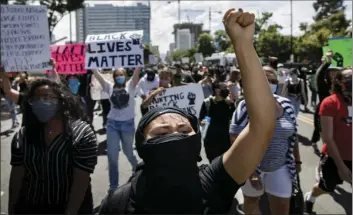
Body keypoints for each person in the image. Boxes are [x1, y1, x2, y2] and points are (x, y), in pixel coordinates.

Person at [98, 8, 277, 214]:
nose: (175, 134)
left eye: (184, 131)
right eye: (162, 132)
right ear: (142, 145)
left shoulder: (214, 183)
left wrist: (243, 44)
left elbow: (262, 125)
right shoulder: (116, 203)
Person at [8, 78, 98, 214]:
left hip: (71, 208)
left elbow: (81, 181)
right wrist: (12, 209)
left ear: (61, 101)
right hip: (32, 207)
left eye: (47, 97)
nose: (41, 103)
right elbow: (16, 176)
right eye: (36, 99)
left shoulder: (82, 134)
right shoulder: (22, 136)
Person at [230, 66, 301, 215]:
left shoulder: (287, 105)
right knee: (252, 202)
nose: (270, 83)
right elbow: (235, 138)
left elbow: (293, 136)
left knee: (282, 207)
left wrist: (297, 160)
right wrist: (251, 172)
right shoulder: (245, 105)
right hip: (253, 167)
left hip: (281, 166)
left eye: (273, 80)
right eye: (265, 79)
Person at [304, 67, 352, 214]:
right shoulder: (330, 103)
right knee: (326, 188)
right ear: (339, 82)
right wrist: (341, 166)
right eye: (349, 78)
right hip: (334, 158)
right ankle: (310, 197)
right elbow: (327, 138)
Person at [92, 67, 140, 192]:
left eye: (121, 75)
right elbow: (98, 76)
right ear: (114, 77)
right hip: (112, 124)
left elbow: (136, 74)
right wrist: (92, 68)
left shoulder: (131, 86)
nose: (119, 77)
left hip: (127, 125)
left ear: (125, 75)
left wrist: (138, 65)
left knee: (128, 152)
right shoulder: (109, 86)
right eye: (117, 75)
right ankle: (113, 186)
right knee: (112, 156)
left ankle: (137, 168)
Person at [310, 51, 340, 152]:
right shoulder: (323, 84)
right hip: (323, 112)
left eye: (336, 72)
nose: (334, 74)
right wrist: (327, 61)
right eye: (332, 72)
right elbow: (320, 74)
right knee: (321, 131)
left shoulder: (340, 85)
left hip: (337, 112)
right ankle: (316, 143)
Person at [199, 82, 235, 163]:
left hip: (225, 139)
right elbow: (202, 118)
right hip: (211, 140)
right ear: (216, 90)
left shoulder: (228, 103)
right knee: (213, 162)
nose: (226, 90)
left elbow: (232, 117)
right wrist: (203, 122)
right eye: (223, 88)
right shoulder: (207, 102)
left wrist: (232, 104)